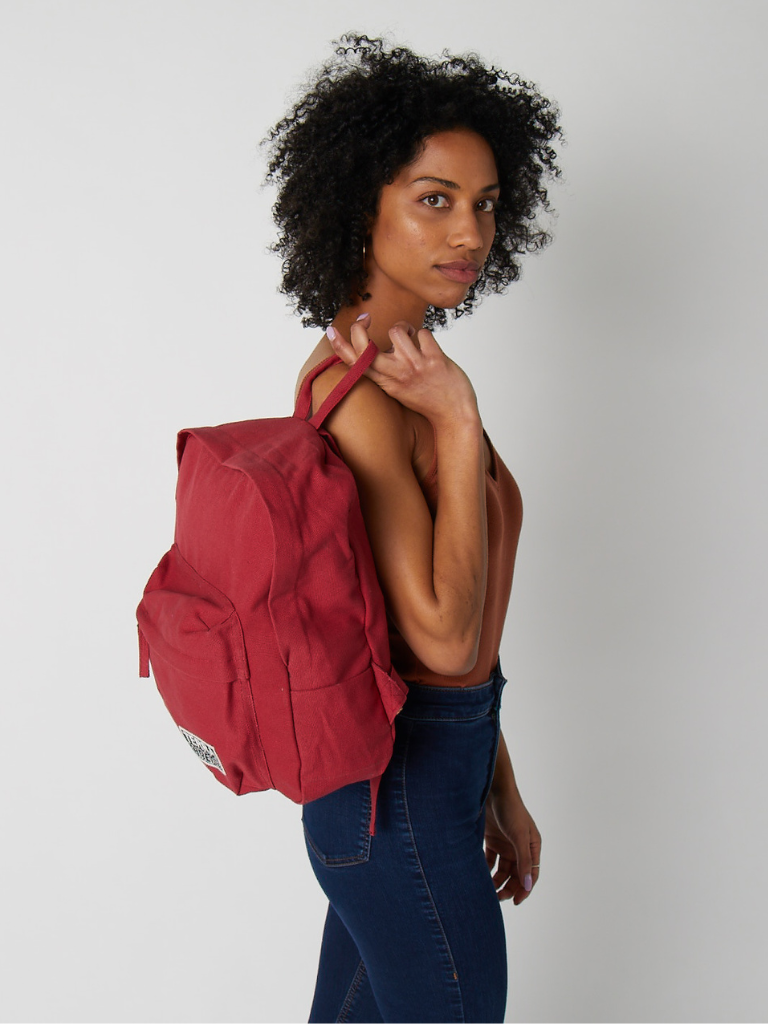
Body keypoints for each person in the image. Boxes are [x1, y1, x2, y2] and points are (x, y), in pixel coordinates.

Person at [266, 34, 562, 1024]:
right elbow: (438, 639)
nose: (469, 231)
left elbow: (448, 634)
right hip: (391, 798)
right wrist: (461, 421)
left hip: (424, 783)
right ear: (362, 204)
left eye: (485, 203)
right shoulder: (363, 395)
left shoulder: (408, 375)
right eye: (435, 199)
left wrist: (494, 781)